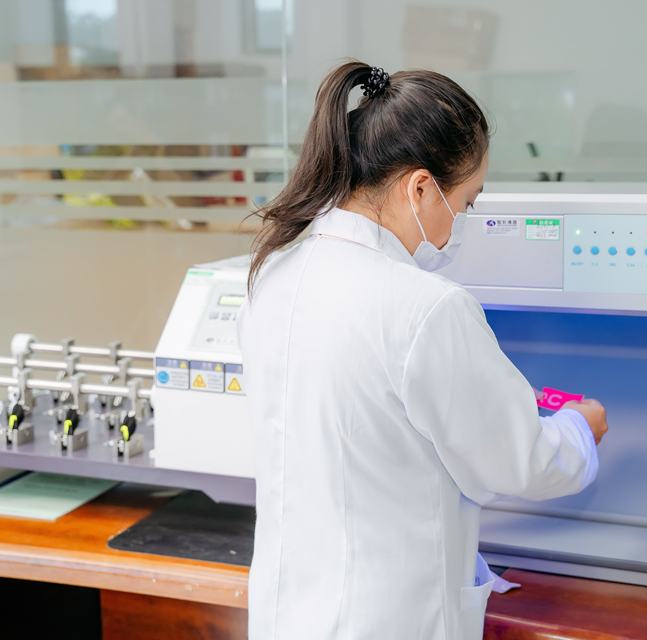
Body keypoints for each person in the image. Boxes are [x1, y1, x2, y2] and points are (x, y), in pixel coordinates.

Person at [238, 61, 608, 640]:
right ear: (419, 188)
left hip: (288, 617)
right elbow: (521, 461)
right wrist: (581, 428)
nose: (461, 222)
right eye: (467, 202)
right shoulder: (426, 307)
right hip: (386, 622)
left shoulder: (273, 277)